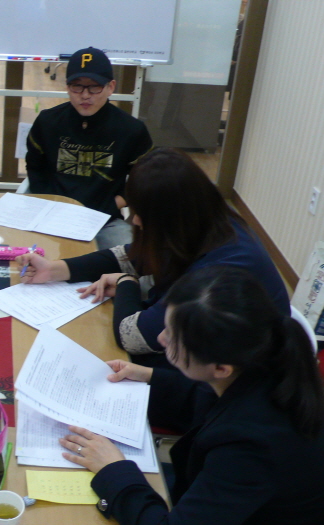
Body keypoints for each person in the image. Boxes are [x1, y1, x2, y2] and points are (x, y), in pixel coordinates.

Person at [58, 266, 324, 524]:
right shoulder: (263, 364)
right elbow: (207, 400)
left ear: (221, 368)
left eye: (173, 337)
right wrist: (148, 375)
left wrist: (112, 469)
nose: (161, 338)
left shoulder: (251, 446)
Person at [17, 148, 289, 363]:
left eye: (141, 213)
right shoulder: (205, 221)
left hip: (226, 379)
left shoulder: (219, 272)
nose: (135, 220)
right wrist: (54, 269)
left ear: (169, 215)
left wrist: (125, 283)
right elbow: (133, 256)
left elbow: (132, 336)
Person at [26, 46, 153, 250]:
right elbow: (35, 166)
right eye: (77, 87)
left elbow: (147, 178)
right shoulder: (48, 122)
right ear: (67, 87)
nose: (85, 96)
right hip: (52, 217)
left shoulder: (131, 130)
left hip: (104, 221)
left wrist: (117, 202)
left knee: (132, 256)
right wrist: (49, 202)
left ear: (111, 87)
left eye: (94, 87)